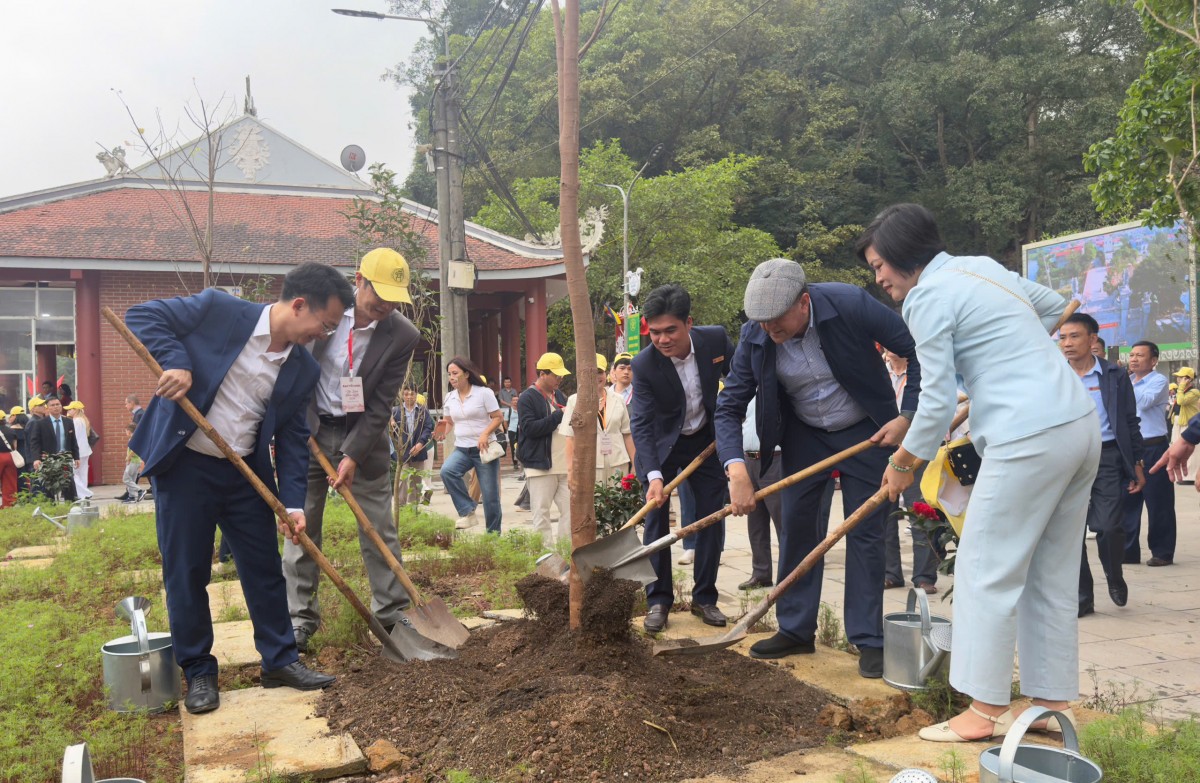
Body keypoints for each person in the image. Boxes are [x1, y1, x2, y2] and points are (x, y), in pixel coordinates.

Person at [866, 203, 1098, 742]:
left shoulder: (926, 297)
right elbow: (1062, 305)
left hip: (1027, 435)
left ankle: (985, 709)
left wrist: (904, 463)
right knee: (1051, 571)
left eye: (880, 265)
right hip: (1076, 423)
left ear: (905, 257)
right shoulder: (981, 267)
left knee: (982, 567)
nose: (879, 277)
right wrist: (1000, 360)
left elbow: (936, 395)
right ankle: (1049, 704)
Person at [126, 261, 351, 715]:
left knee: (264, 568)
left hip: (243, 471)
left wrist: (293, 504)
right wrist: (178, 362)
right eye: (323, 325)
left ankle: (280, 660)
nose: (322, 335)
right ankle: (200, 672)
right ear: (299, 304)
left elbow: (290, 438)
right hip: (186, 465)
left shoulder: (302, 368)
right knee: (187, 572)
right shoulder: (219, 310)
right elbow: (142, 316)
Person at [717, 258, 918, 679]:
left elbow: (918, 350)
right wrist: (736, 469)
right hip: (804, 434)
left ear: (803, 302)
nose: (769, 330)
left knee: (865, 532)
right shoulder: (757, 335)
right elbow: (730, 405)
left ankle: (868, 639)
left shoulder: (848, 303)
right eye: (761, 322)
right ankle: (795, 627)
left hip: (868, 429)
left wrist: (908, 414)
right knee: (798, 527)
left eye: (777, 320)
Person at [285, 248, 420, 655]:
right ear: (358, 279)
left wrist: (353, 454)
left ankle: (392, 615)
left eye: (394, 298)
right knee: (300, 527)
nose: (385, 305)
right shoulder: (323, 309)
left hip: (362, 438)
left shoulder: (402, 335)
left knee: (377, 525)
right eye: (378, 294)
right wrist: (291, 422)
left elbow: (380, 403)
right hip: (308, 431)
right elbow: (289, 364)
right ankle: (298, 619)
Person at [630, 284, 733, 633]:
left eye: (670, 330)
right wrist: (654, 475)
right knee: (656, 522)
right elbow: (641, 423)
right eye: (654, 332)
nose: (661, 339)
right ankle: (658, 601)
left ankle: (705, 598)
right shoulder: (644, 364)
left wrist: (733, 425)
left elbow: (740, 381)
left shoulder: (716, 341)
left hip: (707, 440)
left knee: (710, 519)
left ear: (689, 323)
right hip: (662, 447)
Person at [1058, 313, 1145, 617]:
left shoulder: (1114, 375)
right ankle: (1083, 596)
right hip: (1066, 459)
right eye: (1062, 338)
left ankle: (1114, 573)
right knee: (1071, 532)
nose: (1067, 344)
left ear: (1092, 339)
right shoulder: (1054, 375)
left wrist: (1136, 464)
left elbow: (1131, 422)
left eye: (1074, 337)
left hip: (1106, 456)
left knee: (1109, 526)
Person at [882, 348, 940, 594]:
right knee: (885, 515)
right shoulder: (879, 372)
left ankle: (924, 576)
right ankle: (890, 574)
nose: (890, 346)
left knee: (922, 514)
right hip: (884, 450)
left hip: (917, 452)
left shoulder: (922, 372)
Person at [434, 357, 504, 533]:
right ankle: (467, 511)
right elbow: (449, 421)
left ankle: (493, 537)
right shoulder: (449, 397)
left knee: (490, 497)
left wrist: (485, 434)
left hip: (484, 449)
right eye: (449, 374)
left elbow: (498, 417)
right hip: (463, 449)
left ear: (466, 373)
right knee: (447, 471)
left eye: (455, 373)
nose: (452, 377)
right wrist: (442, 430)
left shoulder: (483, 393)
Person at [1122, 340, 1176, 567]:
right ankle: (1128, 552)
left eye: (1139, 355)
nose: (1133, 359)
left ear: (1153, 361)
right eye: (1131, 355)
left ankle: (1162, 552)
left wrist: (1123, 385)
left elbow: (1142, 402)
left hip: (1154, 447)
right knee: (1128, 500)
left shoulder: (1159, 381)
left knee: (1158, 501)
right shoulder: (1129, 381)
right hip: (1131, 447)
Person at [518, 353, 571, 545]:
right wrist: (558, 416)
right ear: (542, 374)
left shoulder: (560, 396)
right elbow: (530, 428)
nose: (560, 379)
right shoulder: (527, 397)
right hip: (540, 466)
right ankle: (547, 557)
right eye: (556, 375)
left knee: (570, 511)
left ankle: (567, 550)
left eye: (561, 375)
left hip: (563, 464)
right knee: (541, 512)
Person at [563, 354, 637, 488]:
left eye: (599, 372)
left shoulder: (618, 399)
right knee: (594, 506)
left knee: (619, 505)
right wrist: (571, 471)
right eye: (591, 372)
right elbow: (570, 438)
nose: (596, 376)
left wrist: (635, 464)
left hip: (618, 463)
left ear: (607, 374)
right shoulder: (574, 401)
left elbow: (627, 434)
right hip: (589, 466)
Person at [29, 397, 80, 501]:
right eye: (53, 405)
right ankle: (51, 508)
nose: (56, 407)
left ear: (61, 406)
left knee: (68, 483)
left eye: (58, 404)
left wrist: (76, 457)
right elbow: (35, 442)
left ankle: (72, 505)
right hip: (48, 458)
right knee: (49, 486)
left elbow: (73, 440)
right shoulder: (41, 423)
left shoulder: (68, 422)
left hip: (64, 458)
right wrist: (36, 458)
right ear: (48, 408)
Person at [394, 386, 434, 507]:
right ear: (402, 395)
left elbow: (428, 427)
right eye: (406, 394)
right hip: (402, 452)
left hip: (419, 451)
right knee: (402, 479)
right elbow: (391, 431)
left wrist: (420, 443)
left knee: (416, 481)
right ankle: (400, 508)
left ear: (416, 395)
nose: (409, 396)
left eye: (412, 394)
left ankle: (414, 507)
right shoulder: (396, 411)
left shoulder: (422, 411)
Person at [64, 400, 95, 500]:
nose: (68, 411)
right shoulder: (83, 420)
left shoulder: (76, 421)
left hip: (78, 451)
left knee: (73, 474)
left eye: (70, 409)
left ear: (75, 410)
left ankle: (85, 493)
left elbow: (73, 437)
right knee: (82, 473)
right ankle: (84, 494)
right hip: (85, 450)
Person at [121, 422, 145, 504]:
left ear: (128, 431)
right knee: (132, 480)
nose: (125, 433)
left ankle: (140, 491)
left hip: (133, 462)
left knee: (126, 479)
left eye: (126, 431)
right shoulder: (136, 438)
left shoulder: (133, 439)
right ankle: (131, 497)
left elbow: (134, 450)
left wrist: (128, 457)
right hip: (136, 461)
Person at [0, 413, 19, 507]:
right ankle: (8, 506)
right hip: (10, 456)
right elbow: (15, 446)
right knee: (9, 483)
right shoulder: (11, 431)